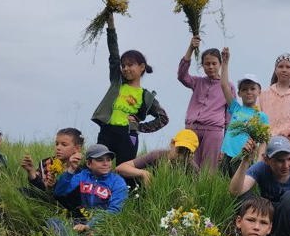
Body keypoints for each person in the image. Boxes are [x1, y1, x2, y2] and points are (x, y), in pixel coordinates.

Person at [90, 12, 169, 165]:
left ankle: (129, 189)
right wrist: (111, 26)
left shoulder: (146, 96)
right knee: (97, 167)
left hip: (128, 136)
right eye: (123, 65)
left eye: (130, 65)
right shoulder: (117, 83)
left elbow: (163, 118)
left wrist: (140, 126)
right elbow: (114, 55)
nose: (125, 68)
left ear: (141, 67)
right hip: (107, 132)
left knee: (125, 171)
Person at [48, 143, 128, 236]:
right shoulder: (82, 176)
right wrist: (71, 170)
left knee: (99, 231)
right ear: (89, 164)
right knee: (53, 221)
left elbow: (115, 210)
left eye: (108, 159)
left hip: (104, 222)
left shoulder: (117, 181)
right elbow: (59, 193)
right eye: (100, 160)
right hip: (80, 219)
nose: (106, 163)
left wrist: (89, 225)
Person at [177, 36, 232, 170]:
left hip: (213, 131)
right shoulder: (197, 82)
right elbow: (182, 75)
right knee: (188, 166)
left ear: (220, 64)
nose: (211, 67)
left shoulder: (227, 86)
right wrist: (191, 48)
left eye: (214, 63)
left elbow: (230, 117)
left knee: (208, 169)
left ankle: (206, 191)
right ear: (202, 65)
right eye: (207, 64)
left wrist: (226, 144)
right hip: (192, 129)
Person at [218, 48, 270, 178]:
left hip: (244, 158)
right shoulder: (236, 108)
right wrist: (225, 63)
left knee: (239, 189)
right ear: (239, 93)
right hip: (226, 155)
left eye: (253, 88)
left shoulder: (261, 116)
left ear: (259, 91)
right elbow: (224, 85)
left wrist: (259, 162)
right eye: (244, 89)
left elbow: (264, 141)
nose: (249, 92)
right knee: (222, 186)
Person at [20, 127, 84, 214]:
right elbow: (39, 190)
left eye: (64, 145)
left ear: (77, 148)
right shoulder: (47, 163)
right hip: (48, 204)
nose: (58, 148)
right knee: (22, 191)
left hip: (70, 209)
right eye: (57, 144)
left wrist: (56, 185)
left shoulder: (83, 170)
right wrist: (31, 172)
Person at [115, 128, 200, 186]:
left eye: (187, 153)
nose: (181, 156)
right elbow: (121, 168)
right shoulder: (157, 155)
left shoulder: (192, 168)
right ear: (172, 143)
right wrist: (143, 173)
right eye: (180, 150)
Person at [258, 53, 290, 151]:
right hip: (265, 145)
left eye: (288, 67)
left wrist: (289, 131)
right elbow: (257, 117)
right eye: (280, 66)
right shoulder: (263, 94)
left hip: (287, 146)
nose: (284, 69)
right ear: (275, 70)